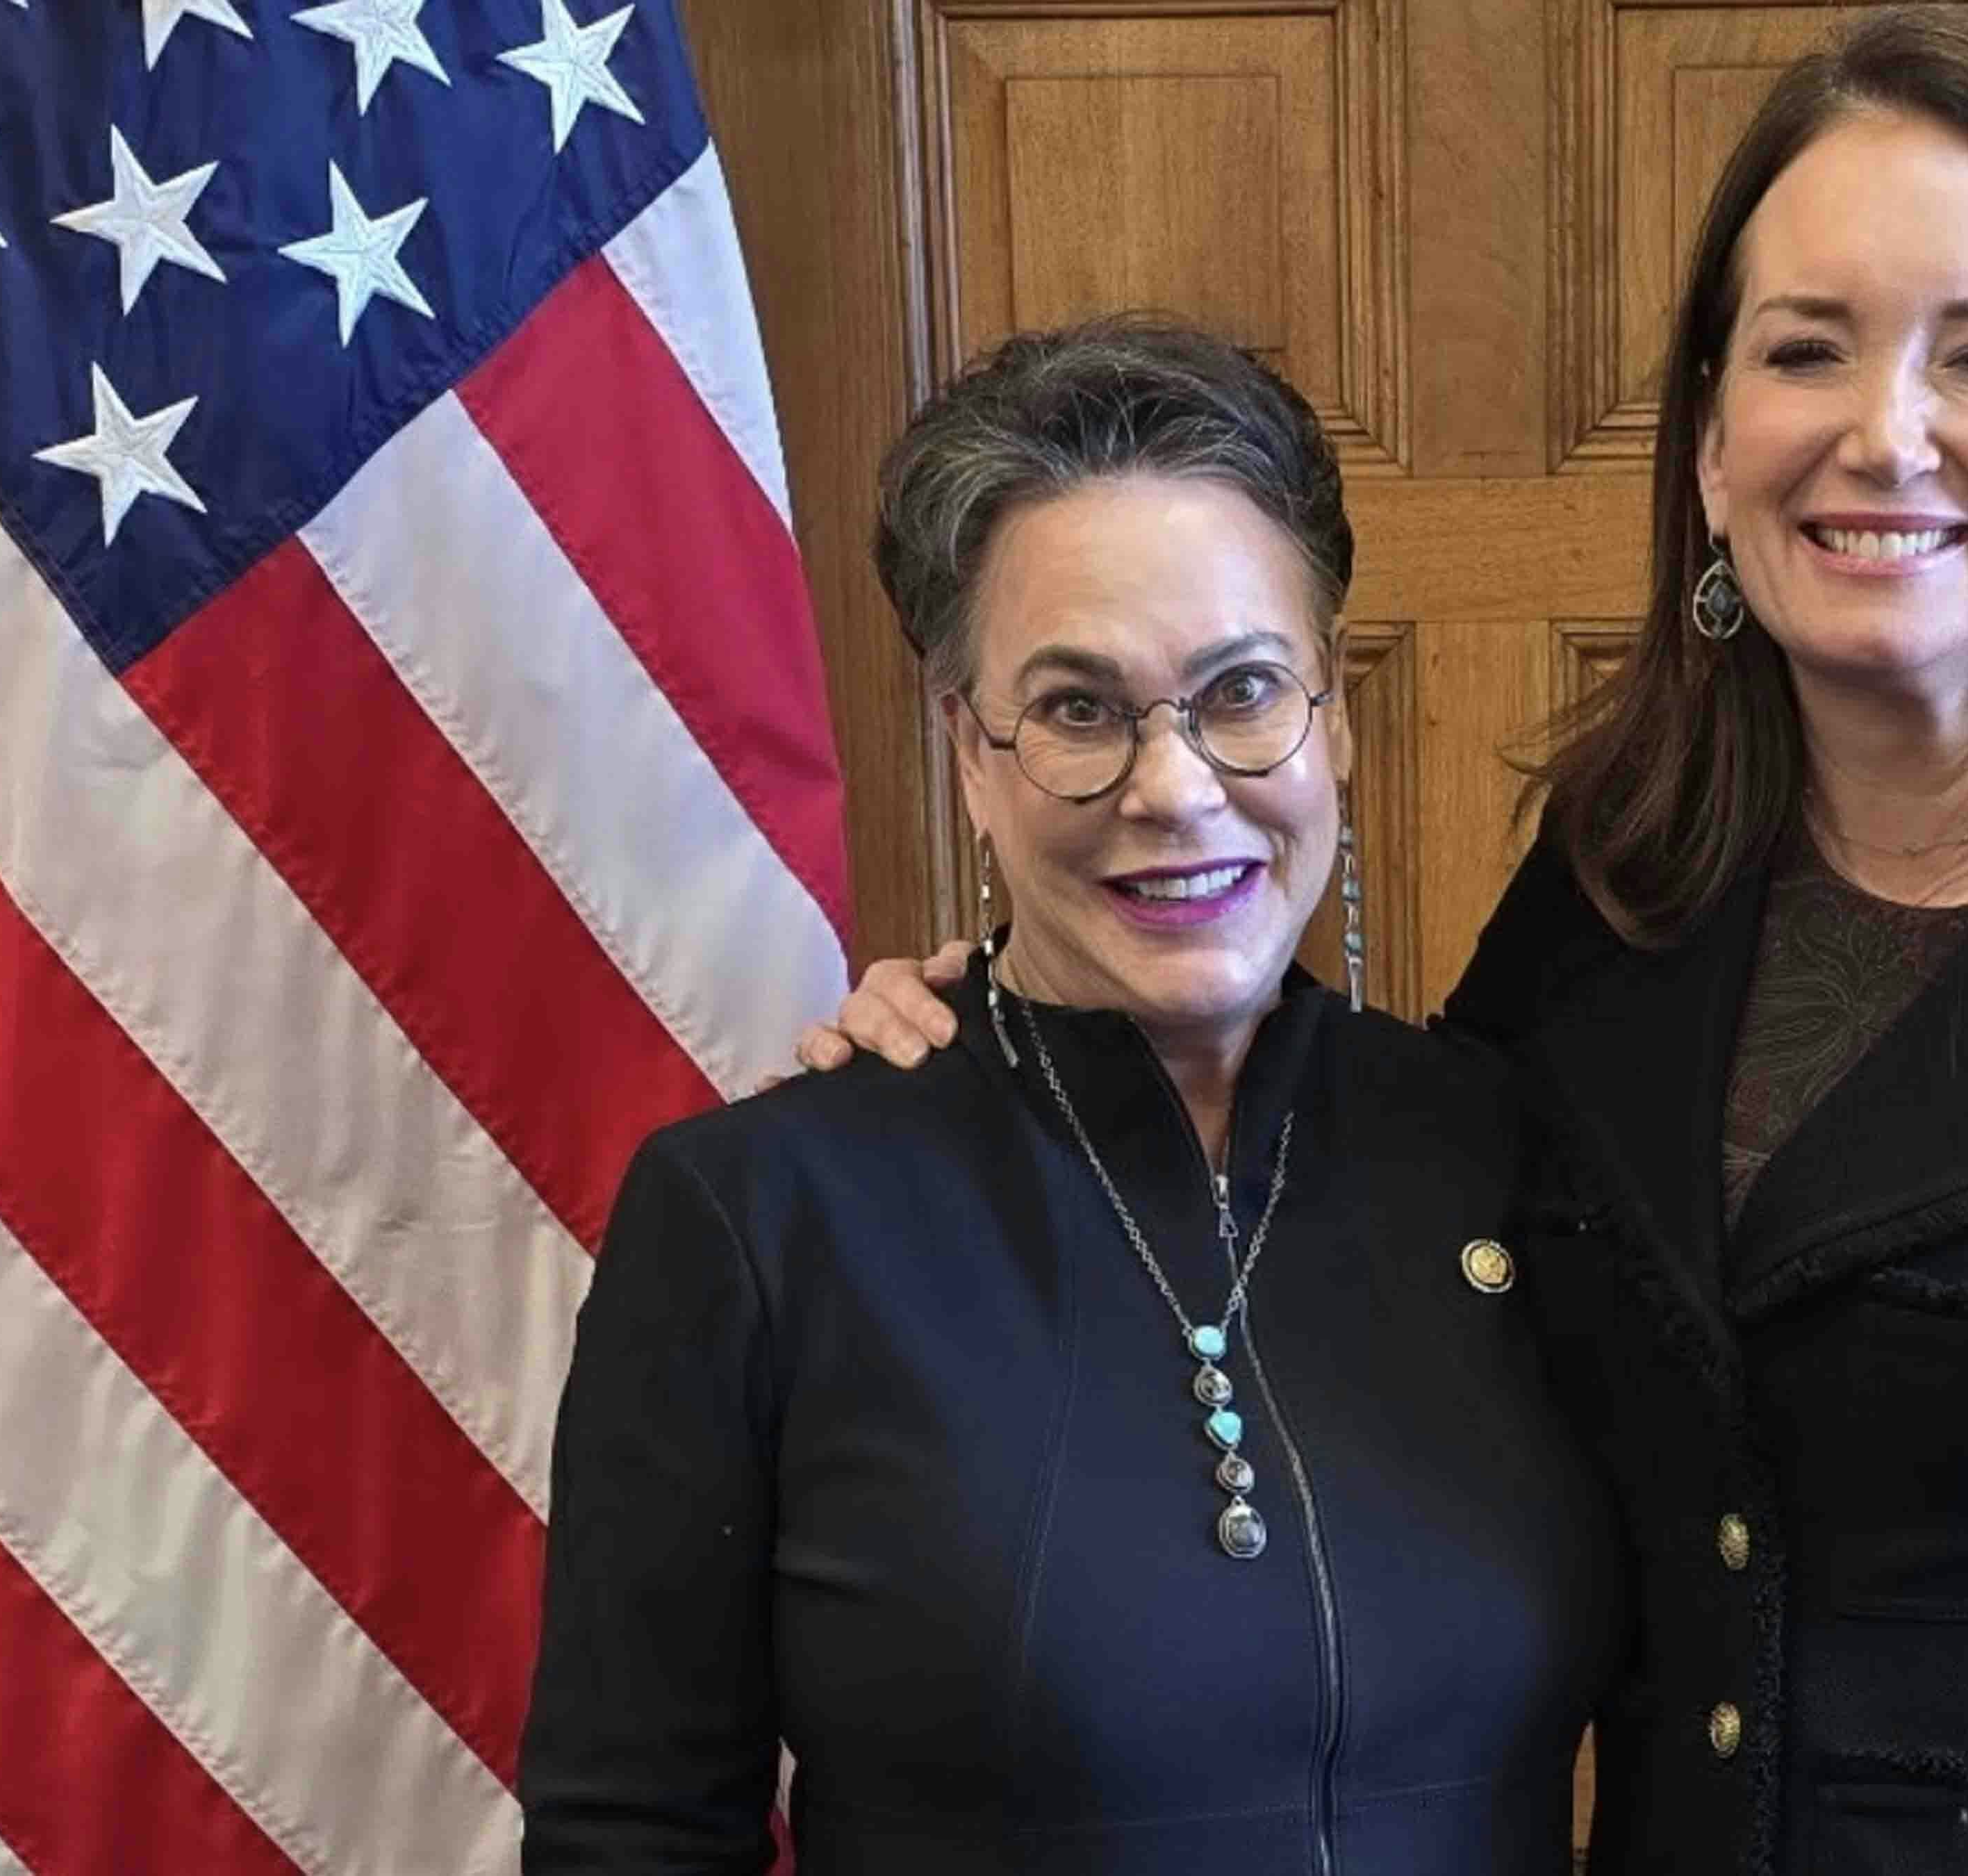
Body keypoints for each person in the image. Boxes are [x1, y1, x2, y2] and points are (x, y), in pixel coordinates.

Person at [806, 9, 1968, 1870]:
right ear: (1713, 449)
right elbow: (1344, 1208)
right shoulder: (1622, 873)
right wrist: (998, 1041)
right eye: (1808, 349)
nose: (1885, 430)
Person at [520, 315, 1621, 1874]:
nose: (1174, 789)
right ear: (971, 753)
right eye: (1080, 711)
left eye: (1243, 692)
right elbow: (632, 1834)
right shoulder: (763, 1220)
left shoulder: (1507, 1153)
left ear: (1337, 718)